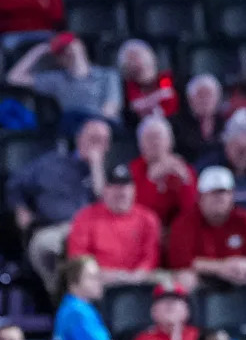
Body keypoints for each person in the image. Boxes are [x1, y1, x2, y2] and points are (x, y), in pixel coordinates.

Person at [6, 117, 111, 295]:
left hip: (95, 232)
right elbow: (15, 184)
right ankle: (62, 296)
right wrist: (20, 209)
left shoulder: (112, 174)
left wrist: (96, 168)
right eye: (91, 138)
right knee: (46, 247)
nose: (95, 145)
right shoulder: (51, 164)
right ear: (79, 139)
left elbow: (107, 205)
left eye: (101, 141)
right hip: (53, 229)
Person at [167, 166, 246, 306]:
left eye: (224, 193)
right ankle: (191, 325)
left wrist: (244, 264)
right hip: (203, 275)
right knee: (184, 279)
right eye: (213, 194)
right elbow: (180, 261)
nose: (220, 198)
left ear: (232, 196)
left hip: (238, 272)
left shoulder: (245, 220)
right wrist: (220, 267)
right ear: (200, 197)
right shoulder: (185, 222)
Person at [6, 32, 123, 133]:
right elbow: (13, 78)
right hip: (74, 127)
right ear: (58, 60)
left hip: (105, 126)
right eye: (62, 51)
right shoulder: (57, 80)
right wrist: (39, 50)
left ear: (80, 46)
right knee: (69, 118)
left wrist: (94, 126)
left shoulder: (108, 74)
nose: (68, 52)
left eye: (70, 46)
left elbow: (111, 109)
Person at [67, 164, 162, 286]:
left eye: (126, 186)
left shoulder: (148, 218)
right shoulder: (85, 217)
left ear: (134, 190)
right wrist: (103, 274)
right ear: (105, 190)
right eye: (115, 186)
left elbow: (150, 257)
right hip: (99, 281)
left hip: (140, 281)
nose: (121, 192)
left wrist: (136, 276)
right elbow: (78, 258)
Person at [130, 115, 197, 228]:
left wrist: (185, 182)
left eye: (159, 137)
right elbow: (134, 211)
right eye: (149, 138)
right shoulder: (133, 170)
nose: (155, 142)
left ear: (170, 141)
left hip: (176, 230)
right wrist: (151, 180)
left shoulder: (181, 167)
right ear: (140, 144)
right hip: (143, 229)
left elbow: (191, 210)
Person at [118, 39, 179, 123]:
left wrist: (147, 102)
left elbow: (168, 96)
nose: (136, 63)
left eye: (137, 56)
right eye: (131, 59)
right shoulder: (126, 86)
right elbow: (134, 107)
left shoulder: (167, 78)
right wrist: (157, 97)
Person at [170, 74, 226, 164]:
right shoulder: (176, 125)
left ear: (218, 98)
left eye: (209, 95)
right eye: (200, 96)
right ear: (190, 100)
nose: (205, 100)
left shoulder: (225, 122)